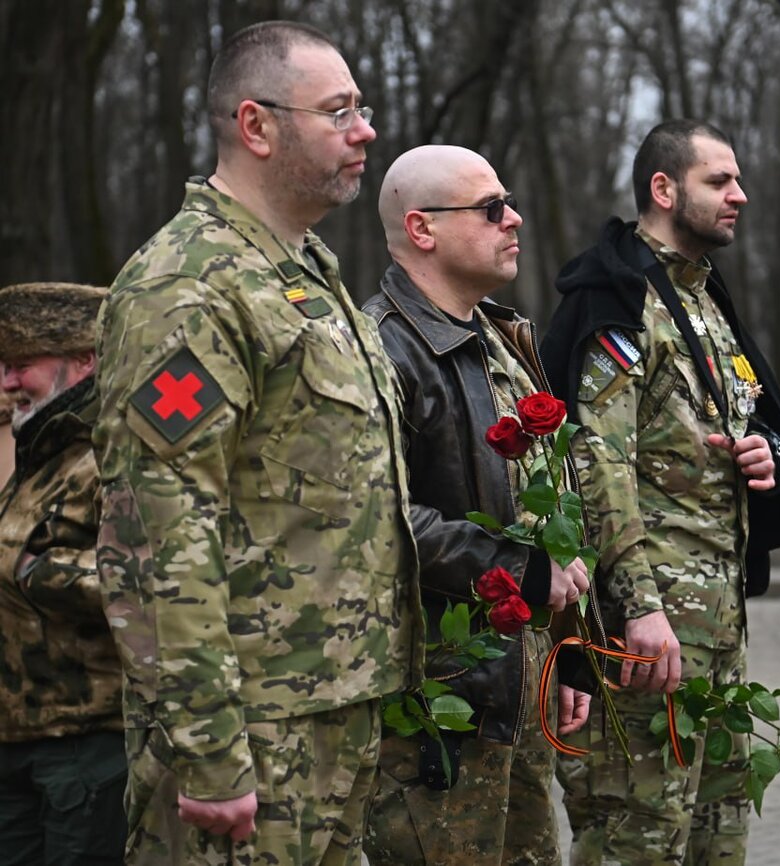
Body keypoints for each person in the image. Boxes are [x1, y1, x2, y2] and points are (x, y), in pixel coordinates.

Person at [92, 21, 421, 866]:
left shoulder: (301, 270)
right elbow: (159, 534)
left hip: (332, 718)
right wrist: (210, 753)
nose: (367, 130)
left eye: (363, 107)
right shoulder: (190, 286)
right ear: (256, 126)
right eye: (339, 111)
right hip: (252, 742)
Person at [540, 119, 780, 865]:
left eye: (737, 179)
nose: (741, 195)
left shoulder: (699, 299)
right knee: (638, 836)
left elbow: (717, 427)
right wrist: (638, 604)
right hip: (651, 634)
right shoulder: (623, 299)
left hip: (716, 629)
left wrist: (767, 455)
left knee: (717, 831)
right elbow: (598, 460)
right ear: (664, 190)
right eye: (719, 181)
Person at [360, 144, 596, 865]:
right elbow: (378, 521)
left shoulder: (499, 334)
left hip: (512, 693)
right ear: (422, 229)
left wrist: (565, 648)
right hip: (436, 707)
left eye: (511, 201)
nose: (514, 219)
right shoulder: (381, 349)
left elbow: (543, 508)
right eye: (492, 209)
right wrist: (522, 572)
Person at [0, 283, 125, 865]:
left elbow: (157, 580)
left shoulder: (112, 451)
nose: (7, 382)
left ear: (84, 360)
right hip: (19, 737)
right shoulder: (38, 453)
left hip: (86, 744)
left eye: (21, 365)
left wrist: (32, 571)